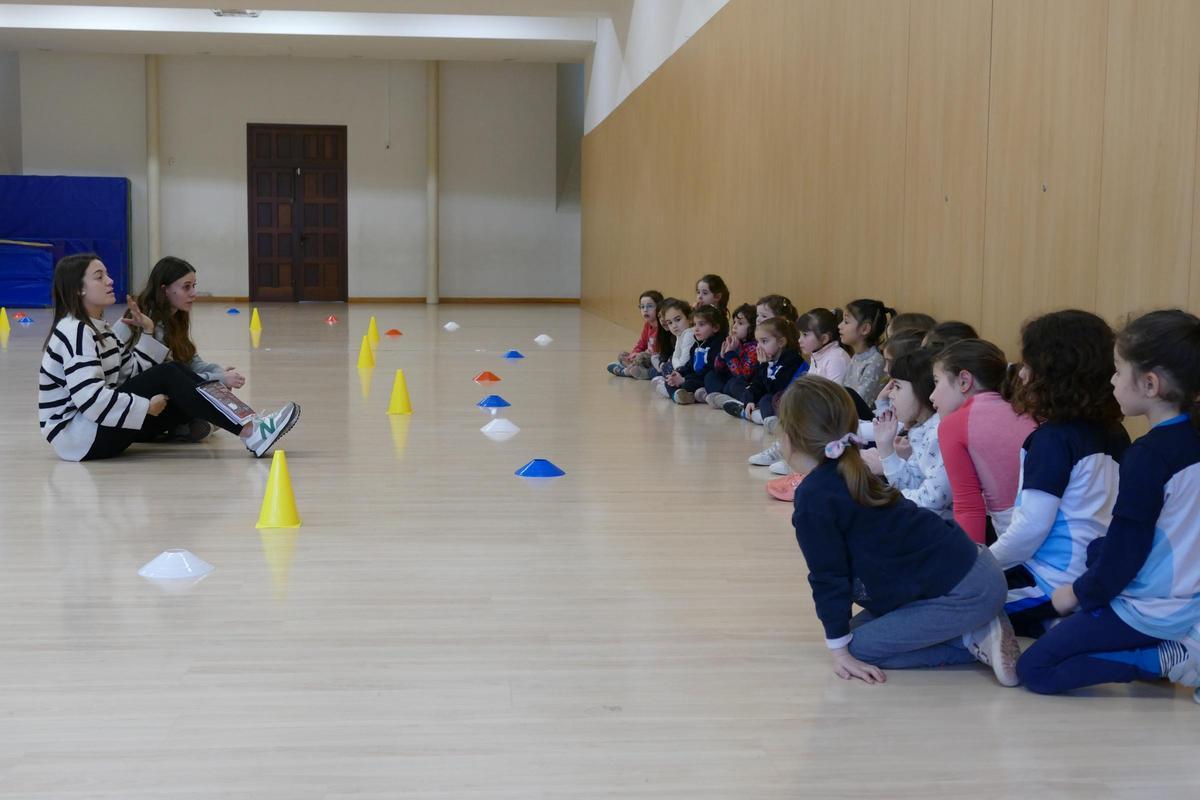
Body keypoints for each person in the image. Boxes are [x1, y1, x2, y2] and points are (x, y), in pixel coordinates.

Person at [781, 375, 1019, 686]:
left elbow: (828, 576)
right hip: (971, 571)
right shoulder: (849, 469)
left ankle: (969, 638)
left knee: (858, 647)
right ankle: (970, 627)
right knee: (854, 634)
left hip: (968, 590)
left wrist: (840, 652)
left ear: (790, 436)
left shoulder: (816, 496)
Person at [1018, 310, 1200, 696]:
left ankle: (1165, 658)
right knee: (1097, 551)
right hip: (1188, 595)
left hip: (1152, 608)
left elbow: (1126, 554)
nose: (1112, 381)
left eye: (1117, 371)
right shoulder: (1182, 442)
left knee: (1036, 668)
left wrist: (1077, 594)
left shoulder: (1149, 457)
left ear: (1150, 384)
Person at [38, 253, 300, 462]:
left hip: (97, 428)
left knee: (178, 376)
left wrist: (149, 332)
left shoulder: (98, 328)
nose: (109, 280)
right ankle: (251, 432)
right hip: (80, 438)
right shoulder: (75, 332)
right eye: (99, 276)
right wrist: (145, 407)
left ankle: (250, 423)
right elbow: (91, 400)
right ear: (78, 290)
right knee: (171, 373)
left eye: (106, 274)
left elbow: (130, 373)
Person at [990, 310, 1129, 638]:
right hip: (1091, 580)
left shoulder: (1052, 439)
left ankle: (1053, 623)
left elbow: (1030, 529)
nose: (1021, 375)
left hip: (1048, 583)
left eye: (1027, 365)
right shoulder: (1116, 433)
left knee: (951, 597)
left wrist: (981, 566)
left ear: (1052, 373)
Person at [134, 255, 249, 442]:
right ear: (165, 290)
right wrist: (218, 379)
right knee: (209, 398)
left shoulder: (175, 318)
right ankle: (249, 429)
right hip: (140, 407)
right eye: (186, 287)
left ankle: (184, 428)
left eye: (194, 286)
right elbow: (175, 381)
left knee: (215, 391)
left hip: (158, 400)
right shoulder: (149, 323)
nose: (193, 293)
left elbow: (191, 361)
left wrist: (217, 373)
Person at [932, 339, 1036, 544]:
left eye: (936, 382)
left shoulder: (954, 425)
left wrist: (973, 569)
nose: (932, 395)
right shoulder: (1024, 411)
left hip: (1014, 537)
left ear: (964, 380)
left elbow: (969, 507)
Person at [874, 348, 953, 519]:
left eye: (897, 386)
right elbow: (910, 484)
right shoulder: (921, 429)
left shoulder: (940, 429)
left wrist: (885, 499)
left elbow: (934, 499)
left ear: (921, 388)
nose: (891, 395)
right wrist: (886, 449)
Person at [838, 298, 894, 407]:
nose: (840, 326)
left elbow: (860, 402)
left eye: (846, 322)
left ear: (865, 328)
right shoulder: (856, 356)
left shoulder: (876, 361)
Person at [700, 303, 756, 405]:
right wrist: (722, 356)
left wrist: (730, 354)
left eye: (740, 323)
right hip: (730, 381)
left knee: (734, 383)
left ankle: (723, 399)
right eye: (734, 322)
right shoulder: (736, 342)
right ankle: (720, 397)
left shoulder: (754, 348)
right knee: (711, 375)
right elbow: (719, 369)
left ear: (753, 327)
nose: (734, 327)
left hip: (745, 383)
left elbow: (743, 375)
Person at [607, 290, 662, 377]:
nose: (645, 310)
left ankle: (626, 371)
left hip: (655, 359)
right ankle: (632, 369)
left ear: (659, 307)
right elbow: (641, 344)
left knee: (642, 357)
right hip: (644, 358)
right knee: (622, 355)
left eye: (650, 306)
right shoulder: (647, 325)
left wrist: (640, 355)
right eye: (642, 307)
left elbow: (659, 351)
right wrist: (633, 354)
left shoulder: (662, 326)